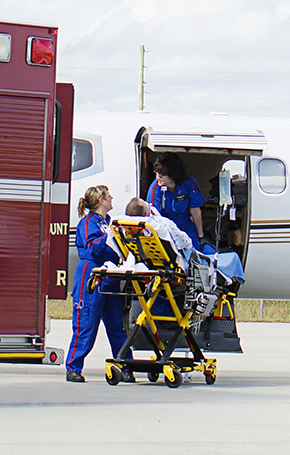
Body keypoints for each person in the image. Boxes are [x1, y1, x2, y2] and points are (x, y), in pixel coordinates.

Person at [66, 185, 133, 383]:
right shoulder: (88, 223)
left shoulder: (110, 222)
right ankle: (73, 368)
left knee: (117, 325)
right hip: (92, 276)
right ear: (101, 201)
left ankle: (126, 365)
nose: (112, 198)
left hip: (110, 276)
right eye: (108, 196)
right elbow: (95, 248)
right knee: (86, 323)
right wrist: (109, 238)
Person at [146, 152, 206, 250]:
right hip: (166, 229)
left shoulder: (189, 184)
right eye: (156, 174)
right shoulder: (155, 188)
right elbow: (155, 216)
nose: (157, 178)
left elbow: (195, 211)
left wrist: (201, 236)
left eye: (161, 176)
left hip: (186, 226)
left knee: (196, 251)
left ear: (173, 176)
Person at [124, 197, 192, 270]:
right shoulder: (160, 224)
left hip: (142, 260)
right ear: (147, 213)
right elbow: (184, 241)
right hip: (167, 261)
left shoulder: (126, 229)